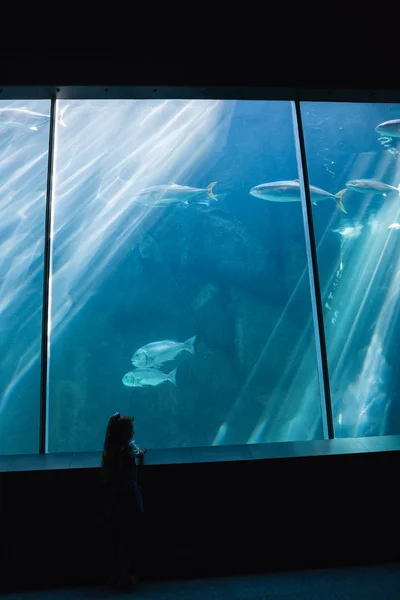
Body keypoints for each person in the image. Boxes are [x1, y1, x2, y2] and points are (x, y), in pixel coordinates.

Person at [101, 412, 146, 591]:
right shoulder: (126, 452)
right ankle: (125, 577)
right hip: (127, 501)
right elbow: (136, 453)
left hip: (114, 503)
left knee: (117, 539)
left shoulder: (110, 453)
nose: (133, 433)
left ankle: (115, 575)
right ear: (126, 434)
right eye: (131, 431)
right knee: (126, 541)